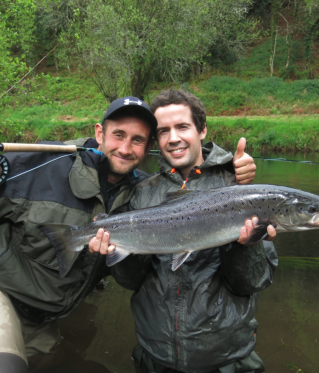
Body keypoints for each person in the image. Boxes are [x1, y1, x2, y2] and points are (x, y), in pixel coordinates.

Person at [0, 97, 159, 373]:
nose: (125, 148)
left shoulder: (144, 196)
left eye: (137, 140)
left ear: (148, 148)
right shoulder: (46, 161)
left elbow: (132, 277)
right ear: (100, 133)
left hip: (41, 315)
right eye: (118, 135)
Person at [90, 90, 278, 373]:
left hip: (226, 361)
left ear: (202, 129)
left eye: (182, 127)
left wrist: (243, 246)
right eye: (163, 131)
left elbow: (253, 282)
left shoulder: (238, 188)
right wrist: (122, 252)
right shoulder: (141, 193)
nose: (173, 138)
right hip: (155, 357)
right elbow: (131, 281)